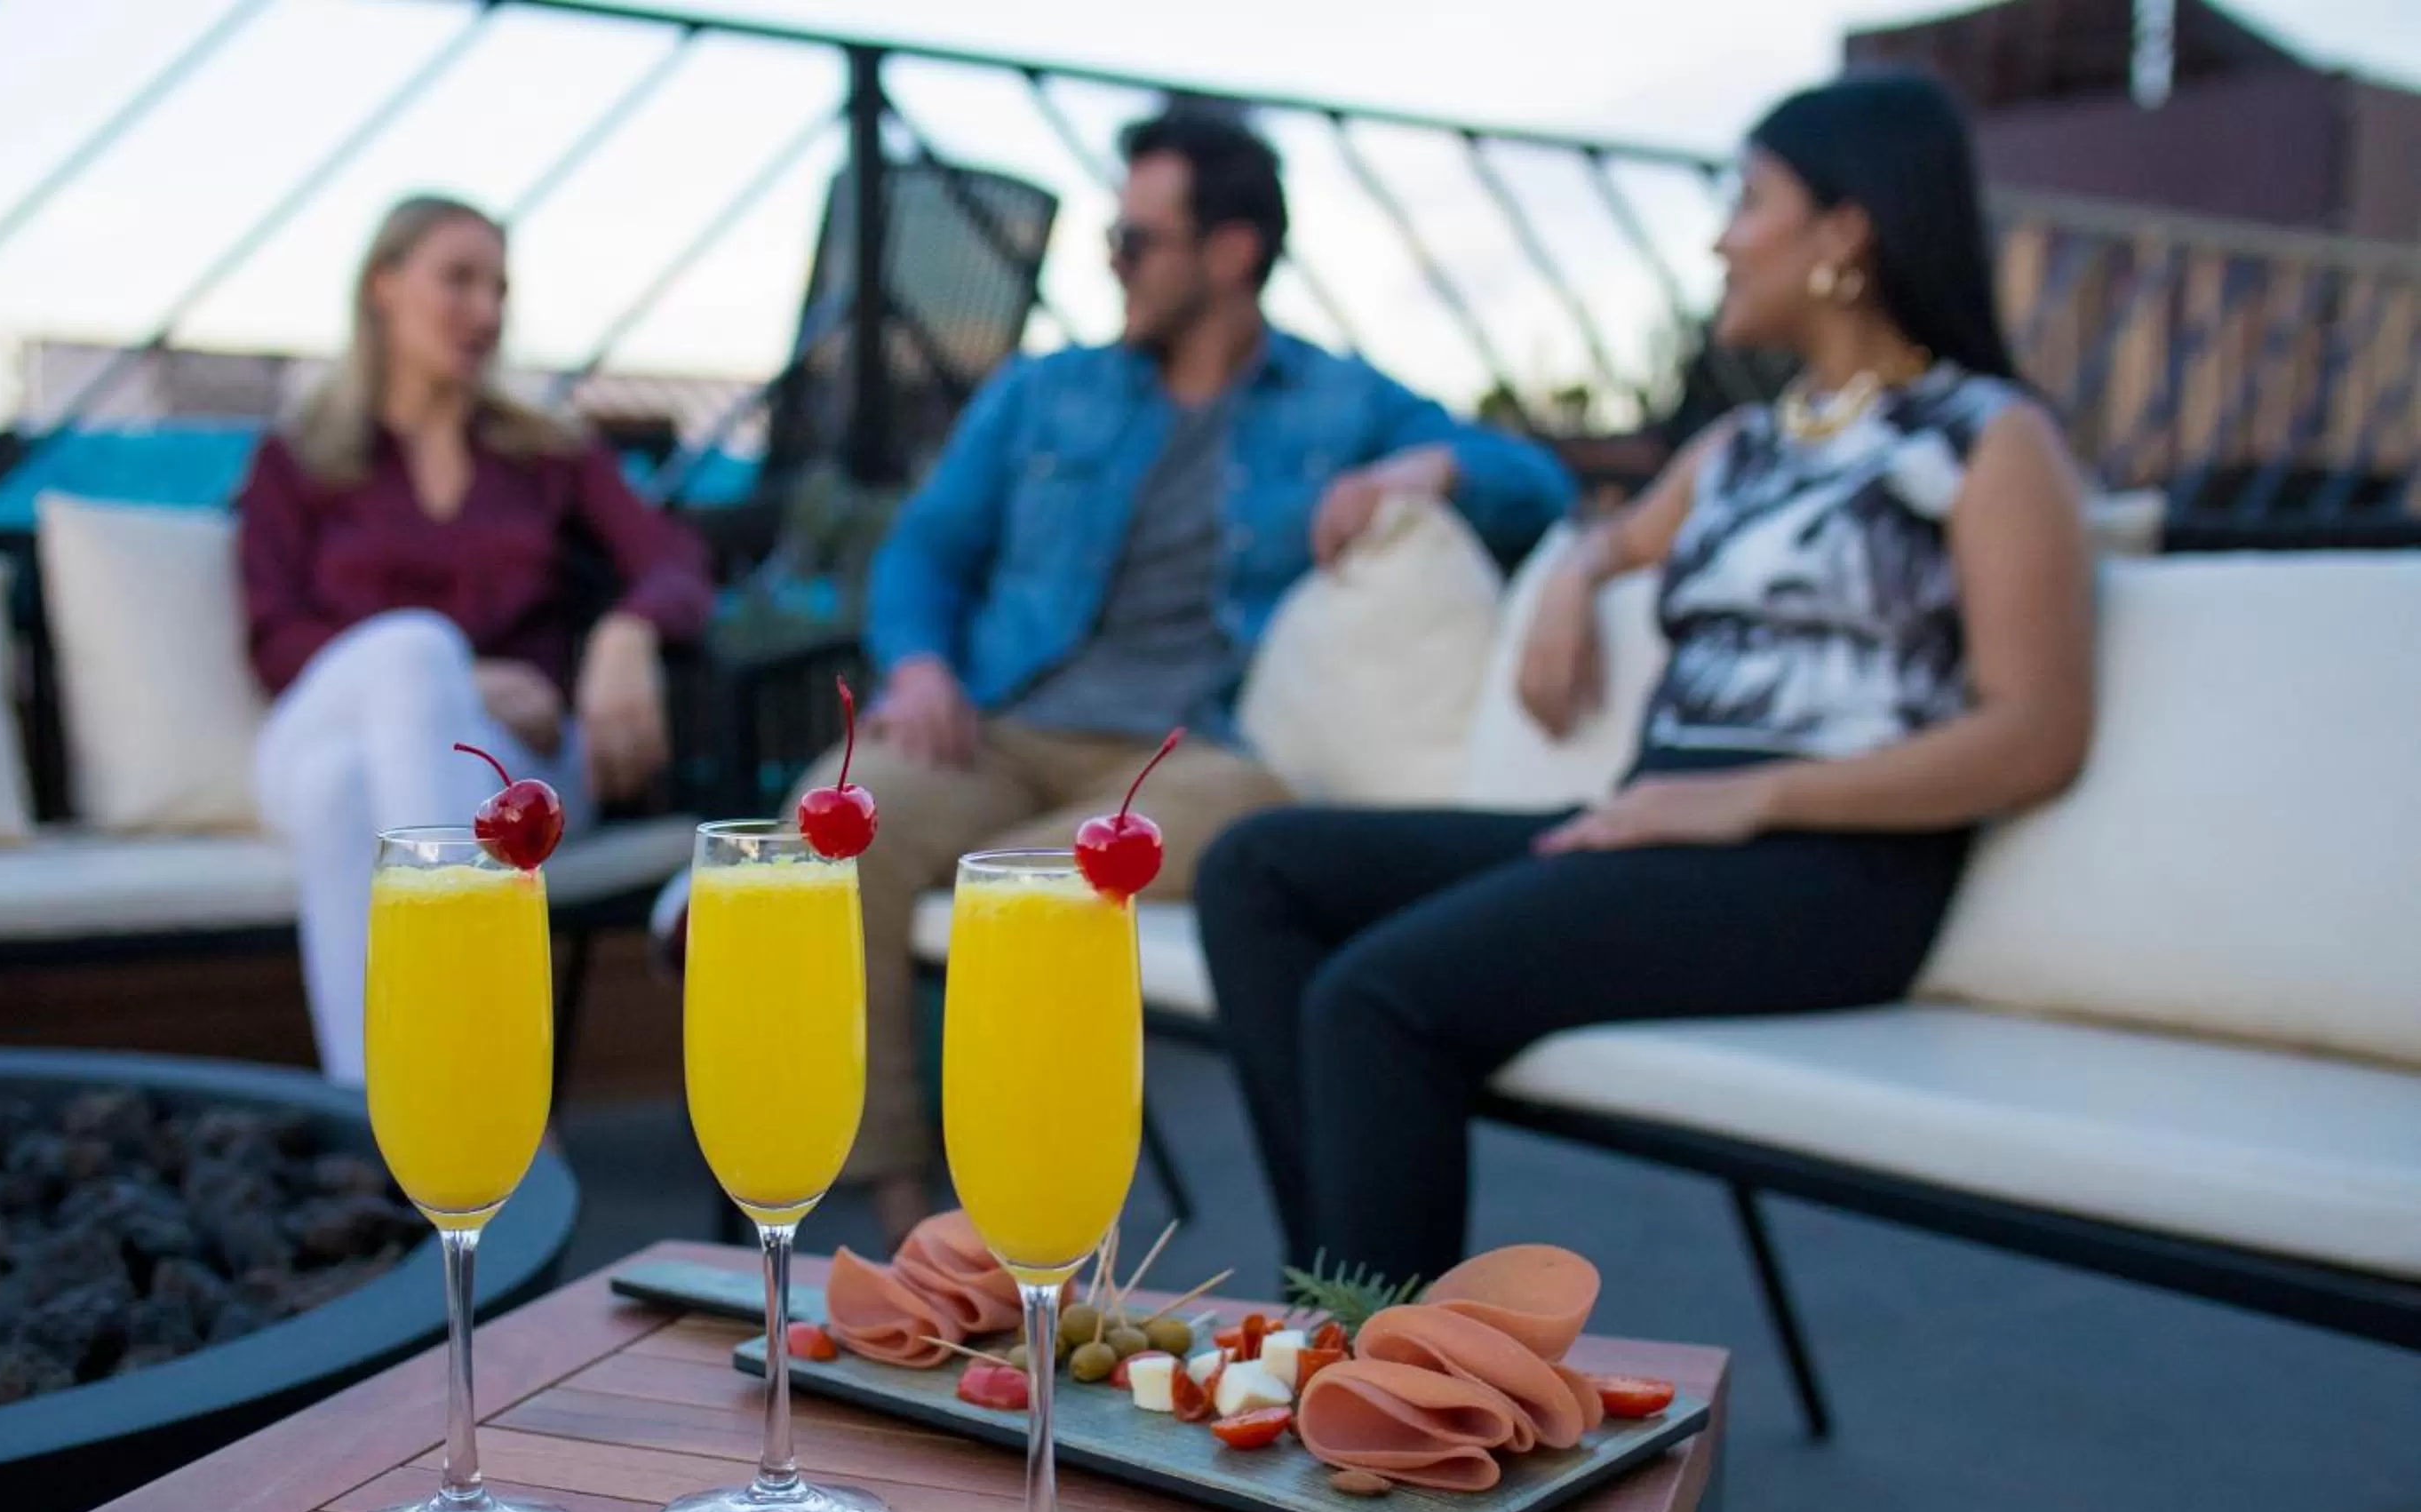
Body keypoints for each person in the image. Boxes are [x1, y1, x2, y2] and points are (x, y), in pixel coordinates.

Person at [1197, 75, 2097, 1284]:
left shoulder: (1987, 439)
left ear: (1847, 231)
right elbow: (1607, 537)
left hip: (1831, 866)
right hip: (1660, 826)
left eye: (1748, 200)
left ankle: (1382, 1384)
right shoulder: (1743, 448)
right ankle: (1343, 1309)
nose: (1721, 236)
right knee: (1258, 869)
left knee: (1378, 998)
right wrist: (1571, 577)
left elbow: (2037, 732)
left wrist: (1753, 797)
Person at [805, 107, 1577, 1237]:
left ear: (1231, 251)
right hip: (1005, 722)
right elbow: (928, 545)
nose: (1112, 261)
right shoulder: (1043, 392)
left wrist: (1431, 463)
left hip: (1198, 752)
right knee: (834, 828)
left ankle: (1021, 1210)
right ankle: (903, 1203)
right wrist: (920, 666)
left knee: (1040, 887)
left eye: (1135, 240)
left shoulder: (1338, 402)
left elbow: (1537, 485)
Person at [240, 194, 714, 1084]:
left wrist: (625, 631)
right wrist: (457, 673)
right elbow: (273, 639)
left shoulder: (545, 451)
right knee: (411, 655)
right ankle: (482, 1077)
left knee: (341, 788)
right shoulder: (296, 457)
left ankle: (388, 1135)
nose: (487, 312)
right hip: (326, 717)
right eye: (458, 281)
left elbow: (676, 562)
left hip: (519, 761)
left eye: (499, 288)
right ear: (383, 285)